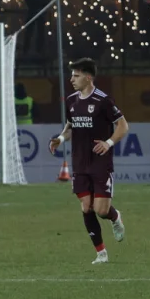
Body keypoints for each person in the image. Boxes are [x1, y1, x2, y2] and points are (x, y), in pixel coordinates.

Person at [49, 58, 128, 264]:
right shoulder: (72, 101)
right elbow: (70, 127)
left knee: (101, 210)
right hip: (80, 162)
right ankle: (101, 253)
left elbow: (123, 126)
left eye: (76, 75)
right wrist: (59, 139)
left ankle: (115, 217)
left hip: (101, 162)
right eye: (72, 75)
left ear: (88, 77)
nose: (71, 79)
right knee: (86, 207)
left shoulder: (103, 100)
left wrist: (109, 142)